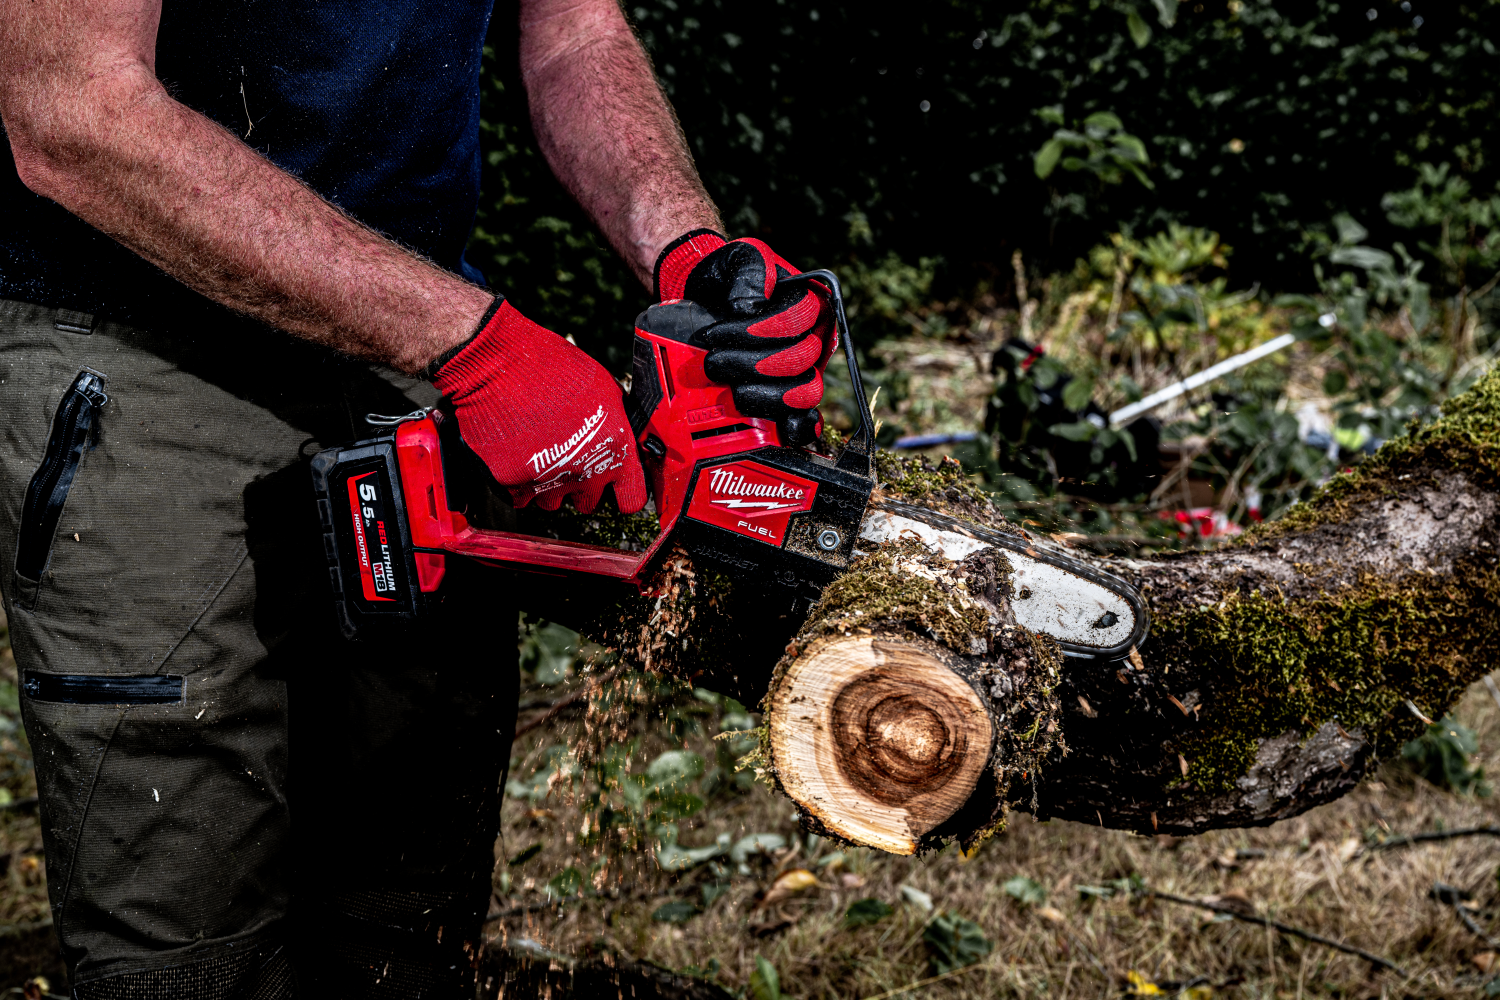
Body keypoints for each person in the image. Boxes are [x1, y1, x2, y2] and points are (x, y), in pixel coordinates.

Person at [0, 0, 834, 995]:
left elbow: (575, 31)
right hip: (140, 341)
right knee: (188, 944)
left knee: (409, 917)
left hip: (412, 342)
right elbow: (73, 109)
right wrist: (478, 343)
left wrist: (686, 249)